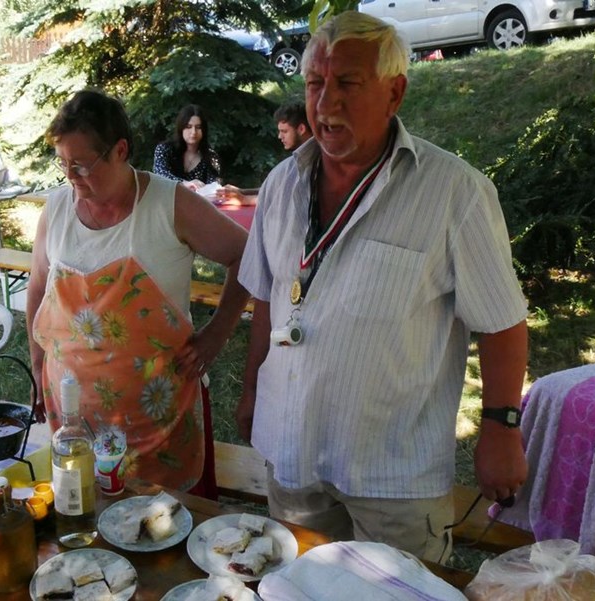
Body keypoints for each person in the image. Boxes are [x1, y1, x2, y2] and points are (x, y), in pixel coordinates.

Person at [236, 11, 528, 564]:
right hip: (292, 449)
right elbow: (267, 297)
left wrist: (501, 430)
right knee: (299, 586)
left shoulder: (455, 193)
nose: (326, 103)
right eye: (315, 83)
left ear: (395, 93)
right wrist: (252, 388)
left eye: (348, 83)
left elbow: (503, 323)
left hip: (393, 471)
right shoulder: (281, 184)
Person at [26, 89, 249, 496]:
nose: (71, 177)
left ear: (120, 151)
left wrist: (217, 334)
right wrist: (37, 362)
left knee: (164, 522)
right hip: (74, 418)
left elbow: (246, 254)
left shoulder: (169, 205)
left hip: (159, 421)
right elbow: (39, 287)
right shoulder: (56, 209)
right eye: (63, 164)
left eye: (81, 165)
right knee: (85, 517)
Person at [216, 101, 313, 206]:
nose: (279, 136)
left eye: (284, 131)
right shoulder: (300, 158)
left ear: (301, 129)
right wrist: (242, 191)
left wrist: (245, 199)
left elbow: (289, 198)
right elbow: (276, 188)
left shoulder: (314, 160)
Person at [153, 104, 221, 192]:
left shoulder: (211, 157)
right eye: (188, 127)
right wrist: (185, 183)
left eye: (198, 127)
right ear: (181, 128)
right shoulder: (164, 149)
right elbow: (160, 176)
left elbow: (214, 188)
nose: (193, 132)